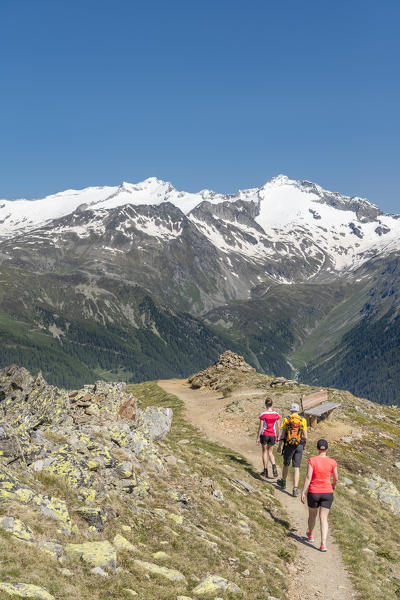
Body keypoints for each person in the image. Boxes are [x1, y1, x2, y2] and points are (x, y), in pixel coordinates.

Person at [301, 439, 338, 552]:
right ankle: (323, 544)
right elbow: (336, 478)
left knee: (312, 515)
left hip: (314, 492)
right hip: (327, 492)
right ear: (326, 449)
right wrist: (333, 485)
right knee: (324, 518)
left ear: (317, 448)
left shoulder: (312, 460)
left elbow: (308, 477)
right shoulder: (332, 462)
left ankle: (311, 535)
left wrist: (303, 491)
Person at [276, 402, 307, 497]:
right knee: (296, 467)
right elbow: (306, 436)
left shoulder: (286, 419)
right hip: (299, 445)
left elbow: (283, 434)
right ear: (298, 410)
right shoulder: (303, 420)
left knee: (286, 464)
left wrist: (279, 446)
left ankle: (283, 483)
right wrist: (304, 446)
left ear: (291, 410)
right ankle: (295, 488)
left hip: (288, 444)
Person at [256, 398, 280, 478]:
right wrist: (278, 436)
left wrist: (258, 438)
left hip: (264, 434)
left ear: (265, 404)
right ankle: (274, 466)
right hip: (272, 435)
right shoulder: (276, 414)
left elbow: (260, 427)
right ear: (272, 404)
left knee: (264, 452)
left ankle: (265, 470)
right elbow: (278, 427)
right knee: (270, 453)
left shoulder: (263, 414)